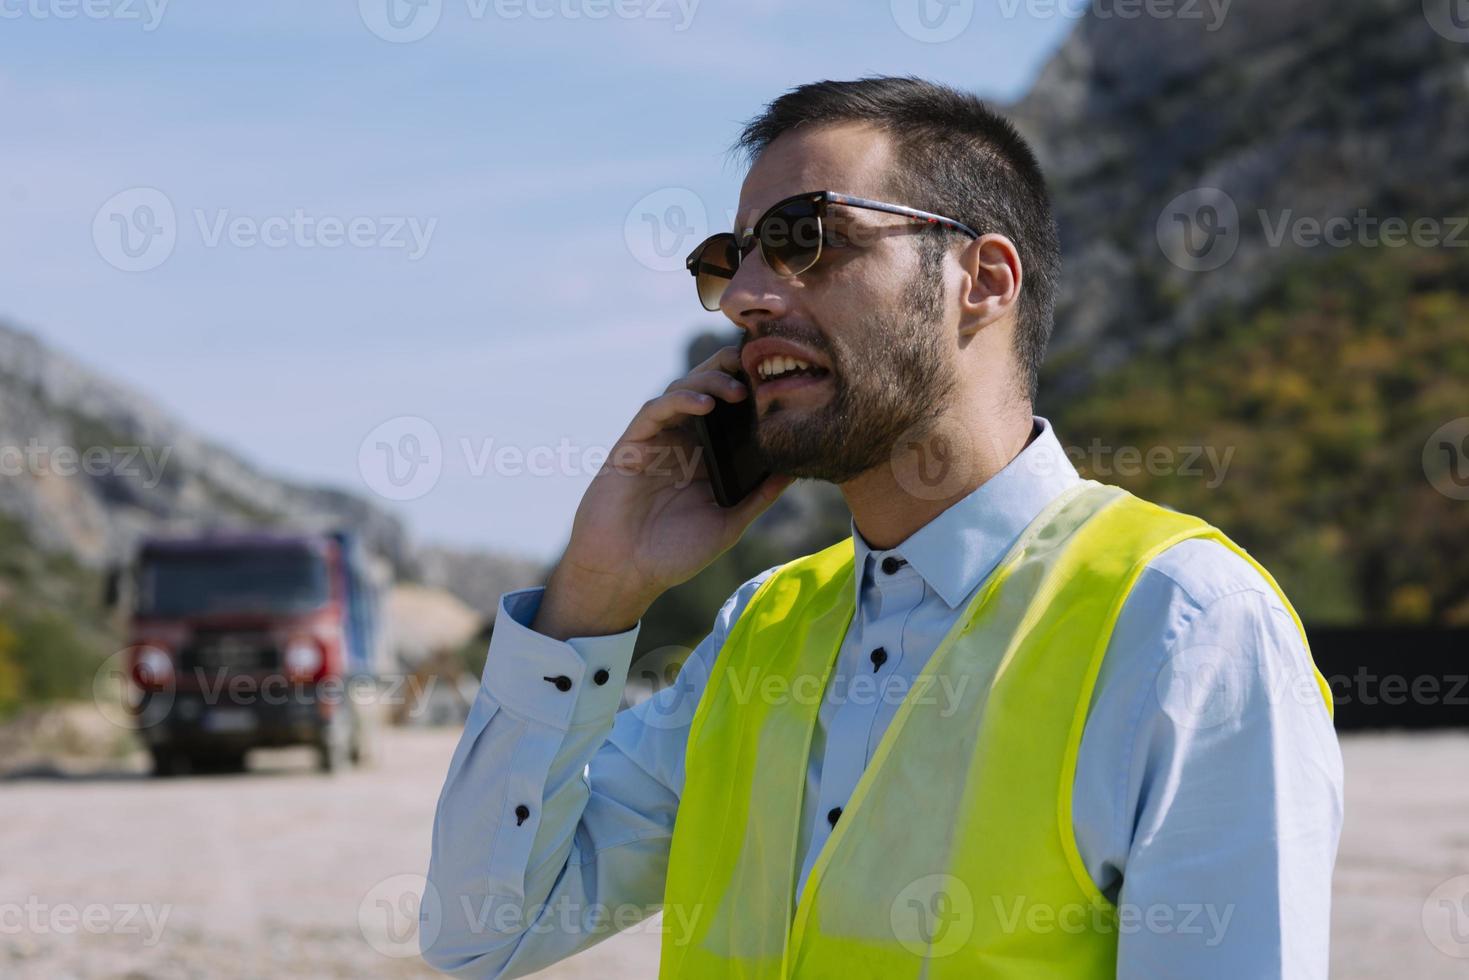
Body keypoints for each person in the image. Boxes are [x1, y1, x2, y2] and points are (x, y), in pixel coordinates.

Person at [421, 76, 1343, 979]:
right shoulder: (760, 632)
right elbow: (480, 936)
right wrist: (593, 596)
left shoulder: (1185, 631)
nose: (745, 297)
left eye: (803, 239)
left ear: (981, 280)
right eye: (727, 258)